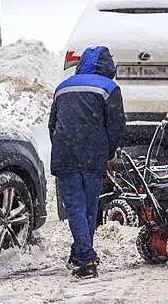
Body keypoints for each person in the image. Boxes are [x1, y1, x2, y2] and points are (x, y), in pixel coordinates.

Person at [48, 46, 125, 278]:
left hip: (66, 155)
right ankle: (86, 257)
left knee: (75, 208)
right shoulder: (109, 88)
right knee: (90, 208)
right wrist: (109, 150)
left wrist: (62, 146)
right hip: (93, 156)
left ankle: (82, 255)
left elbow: (53, 125)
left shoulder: (62, 88)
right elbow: (116, 125)